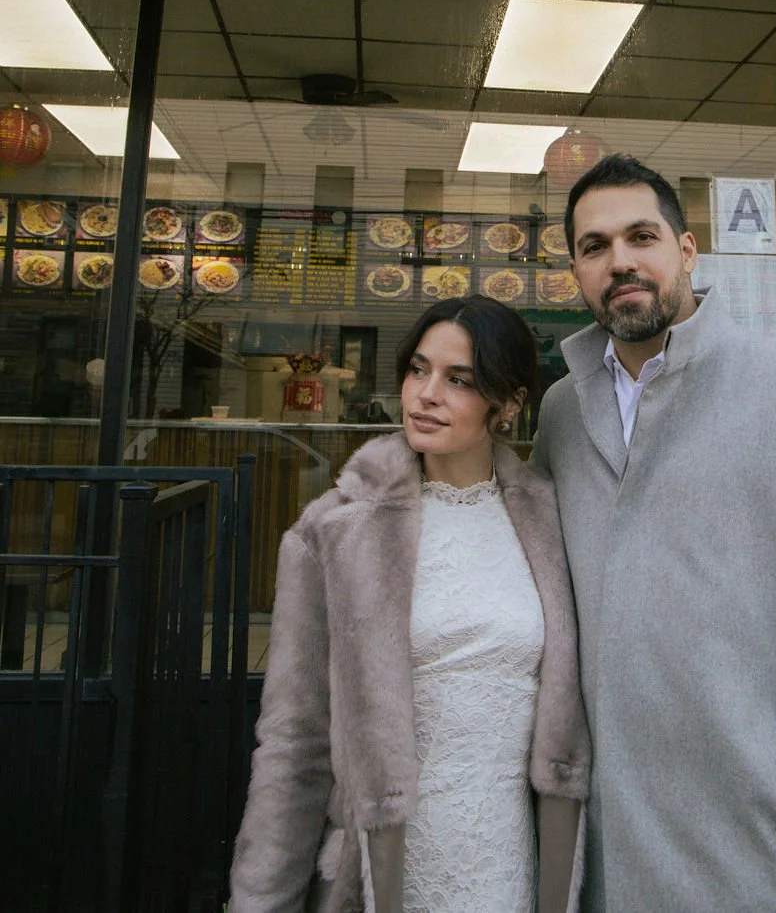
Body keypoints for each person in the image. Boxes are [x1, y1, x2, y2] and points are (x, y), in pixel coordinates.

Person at [531, 153, 776, 913]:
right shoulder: (560, 410)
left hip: (753, 854)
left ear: (685, 252)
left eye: (641, 236)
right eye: (594, 246)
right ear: (577, 271)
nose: (620, 262)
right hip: (606, 851)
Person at [230, 296, 589, 913]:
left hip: (512, 864)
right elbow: (295, 740)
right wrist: (262, 899)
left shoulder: (557, 525)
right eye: (417, 370)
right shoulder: (338, 534)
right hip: (387, 870)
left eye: (459, 380)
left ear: (507, 405)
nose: (425, 394)